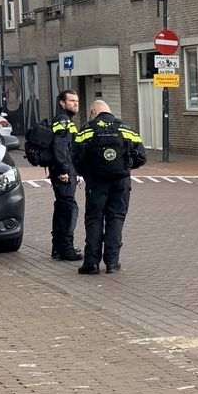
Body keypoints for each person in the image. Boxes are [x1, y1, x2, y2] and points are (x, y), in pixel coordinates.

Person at [73, 100, 147, 274]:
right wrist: (125, 168)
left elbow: (76, 157)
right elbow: (141, 157)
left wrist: (89, 173)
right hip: (121, 181)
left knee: (94, 219)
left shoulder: (86, 129)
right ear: (109, 111)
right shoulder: (126, 128)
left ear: (93, 111)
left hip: (96, 182)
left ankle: (91, 263)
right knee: (116, 218)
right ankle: (112, 263)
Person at [50, 90, 83, 262]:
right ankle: (66, 249)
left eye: (76, 101)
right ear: (62, 103)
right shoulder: (62, 121)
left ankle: (58, 247)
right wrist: (64, 171)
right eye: (71, 101)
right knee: (68, 209)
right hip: (63, 173)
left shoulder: (66, 121)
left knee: (62, 208)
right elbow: (61, 147)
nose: (75, 103)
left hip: (67, 171)